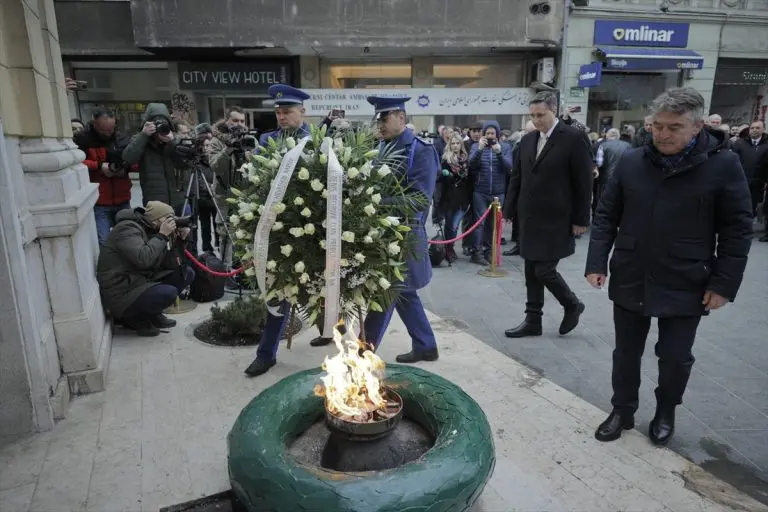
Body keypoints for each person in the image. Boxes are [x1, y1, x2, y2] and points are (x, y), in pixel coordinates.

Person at [586, 88, 753, 446]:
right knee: (626, 353)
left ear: (696, 128)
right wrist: (596, 260)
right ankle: (622, 409)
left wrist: (724, 283)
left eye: (673, 127)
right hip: (632, 272)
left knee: (675, 357)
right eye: (657, 126)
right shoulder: (632, 160)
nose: (662, 134)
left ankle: (666, 411)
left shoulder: (723, 165)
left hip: (687, 278)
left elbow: (738, 228)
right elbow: (606, 215)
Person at [503, 91, 593, 338]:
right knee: (531, 270)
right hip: (530, 218)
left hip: (558, 219)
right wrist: (509, 209)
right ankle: (533, 320)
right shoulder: (528, 140)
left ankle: (572, 304)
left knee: (544, 270)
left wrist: (581, 219)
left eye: (541, 115)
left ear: (554, 110)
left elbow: (584, 183)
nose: (536, 120)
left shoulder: (573, 138)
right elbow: (517, 177)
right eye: (532, 115)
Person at [362, 95, 440, 363]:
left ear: (402, 119)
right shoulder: (379, 147)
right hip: (381, 233)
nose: (379, 123)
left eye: (384, 118)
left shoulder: (421, 150)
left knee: (387, 291)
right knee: (404, 292)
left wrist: (374, 204)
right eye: (377, 118)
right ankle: (426, 345)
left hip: (404, 234)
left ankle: (363, 353)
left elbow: (420, 199)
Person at [244, 85, 314, 377]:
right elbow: (257, 183)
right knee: (277, 293)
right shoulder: (266, 140)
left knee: (326, 289)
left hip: (311, 229)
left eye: (287, 111)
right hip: (277, 231)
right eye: (278, 112)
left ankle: (332, 337)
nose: (282, 117)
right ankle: (266, 353)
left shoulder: (317, 141)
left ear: (302, 111)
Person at [96, 201, 195, 337]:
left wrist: (179, 240)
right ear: (155, 220)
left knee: (185, 273)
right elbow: (144, 259)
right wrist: (162, 236)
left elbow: (170, 265)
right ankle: (134, 318)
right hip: (121, 290)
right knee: (168, 293)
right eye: (168, 219)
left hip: (138, 280)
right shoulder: (126, 229)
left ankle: (152, 314)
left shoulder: (151, 229)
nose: (171, 223)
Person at [73, 109, 134, 245]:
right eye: (103, 130)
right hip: (100, 201)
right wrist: (100, 166)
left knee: (128, 239)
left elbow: (135, 162)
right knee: (104, 242)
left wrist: (125, 168)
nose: (107, 133)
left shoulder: (121, 139)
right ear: (94, 124)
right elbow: (76, 161)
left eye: (110, 130)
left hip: (122, 197)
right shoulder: (83, 140)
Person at [122, 103, 183, 211]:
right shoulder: (141, 139)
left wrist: (172, 142)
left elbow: (185, 163)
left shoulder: (174, 139)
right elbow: (128, 158)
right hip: (154, 202)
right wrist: (143, 135)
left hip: (177, 199)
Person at [467, 121, 513, 265]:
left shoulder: (505, 147)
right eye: (487, 133)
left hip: (498, 192)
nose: (490, 136)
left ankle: (490, 251)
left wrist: (499, 153)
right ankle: (477, 252)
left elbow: (508, 167)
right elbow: (471, 165)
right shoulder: (476, 146)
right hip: (480, 191)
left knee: (494, 224)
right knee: (479, 224)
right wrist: (480, 149)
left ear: (497, 135)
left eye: (493, 133)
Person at [438, 133, 471, 263]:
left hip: (463, 197)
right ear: (449, 145)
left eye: (458, 143)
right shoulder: (446, 160)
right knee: (450, 225)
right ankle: (448, 248)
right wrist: (445, 174)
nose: (455, 146)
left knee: (455, 225)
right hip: (449, 197)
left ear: (461, 145)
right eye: (453, 143)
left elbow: (469, 180)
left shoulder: (466, 160)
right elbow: (439, 179)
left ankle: (449, 247)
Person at [731, 121, 768, 225]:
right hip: (740, 180)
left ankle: (746, 225)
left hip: (758, 182)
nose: (754, 130)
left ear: (763, 130)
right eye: (752, 128)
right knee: (738, 204)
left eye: (757, 128)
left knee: (751, 205)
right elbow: (733, 161)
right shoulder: (740, 143)